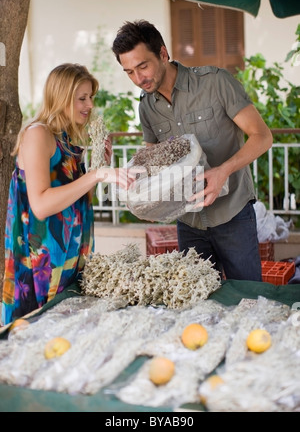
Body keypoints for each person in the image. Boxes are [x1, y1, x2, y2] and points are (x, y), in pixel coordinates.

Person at [112, 20, 273, 282]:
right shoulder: (146, 108)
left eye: (143, 66)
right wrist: (148, 200)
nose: (138, 79)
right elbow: (155, 164)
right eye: (129, 71)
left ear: (163, 54)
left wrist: (224, 171)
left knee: (248, 300)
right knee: (197, 308)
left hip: (232, 215)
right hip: (189, 223)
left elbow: (263, 137)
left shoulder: (216, 82)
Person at [2, 63, 140, 325]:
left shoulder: (66, 139)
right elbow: (41, 205)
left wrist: (98, 167)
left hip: (68, 259)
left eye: (90, 97)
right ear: (61, 97)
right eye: (82, 98)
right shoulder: (38, 134)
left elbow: (71, 198)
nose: (89, 105)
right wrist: (96, 175)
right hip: (40, 265)